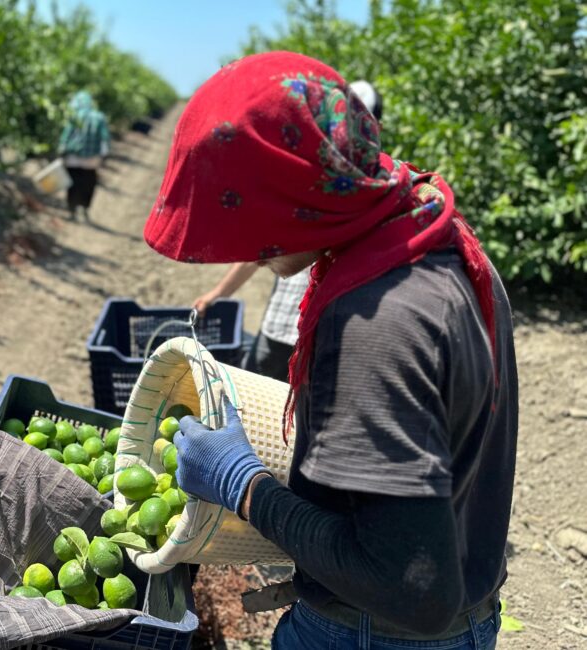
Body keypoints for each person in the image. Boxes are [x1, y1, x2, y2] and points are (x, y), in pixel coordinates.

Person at [145, 53, 517, 649]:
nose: (243, 247)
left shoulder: (375, 326)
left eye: (241, 213)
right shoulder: (434, 236)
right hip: (459, 620)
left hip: (377, 634)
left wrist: (243, 485)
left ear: (291, 191)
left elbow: (412, 590)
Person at [190, 79, 380, 383]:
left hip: (323, 333)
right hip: (283, 325)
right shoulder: (306, 184)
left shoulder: (366, 201)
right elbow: (262, 249)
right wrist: (218, 293)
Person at [58, 91, 111, 220]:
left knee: (72, 183)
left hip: (73, 157)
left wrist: (62, 150)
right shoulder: (99, 117)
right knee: (88, 183)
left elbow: (66, 135)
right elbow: (104, 137)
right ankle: (85, 208)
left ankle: (72, 209)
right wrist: (104, 155)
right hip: (91, 159)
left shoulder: (74, 116)